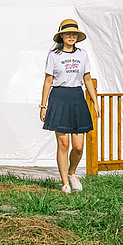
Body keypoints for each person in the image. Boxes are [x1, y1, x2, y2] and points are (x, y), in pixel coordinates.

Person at [39, 18, 100, 193]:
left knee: (78, 146)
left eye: (74, 33)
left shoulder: (82, 54)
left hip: (77, 96)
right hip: (59, 96)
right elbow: (48, 80)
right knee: (63, 144)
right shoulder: (54, 56)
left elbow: (87, 79)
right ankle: (65, 183)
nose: (71, 36)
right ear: (61, 36)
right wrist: (44, 105)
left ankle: (73, 172)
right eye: (68, 33)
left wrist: (95, 101)